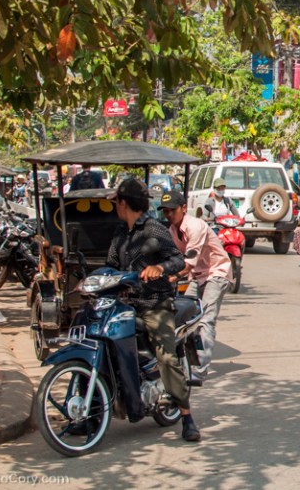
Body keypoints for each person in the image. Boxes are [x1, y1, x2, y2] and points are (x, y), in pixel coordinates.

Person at [104, 178, 199, 442]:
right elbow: (111, 263)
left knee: (167, 358)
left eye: (116, 202)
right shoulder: (120, 232)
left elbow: (177, 258)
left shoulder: (154, 228)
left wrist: (160, 268)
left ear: (124, 203)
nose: (115, 207)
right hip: (124, 305)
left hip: (154, 304)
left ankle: (187, 417)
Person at [160, 191, 233, 380]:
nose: (169, 215)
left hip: (216, 273)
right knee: (184, 317)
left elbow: (188, 261)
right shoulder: (172, 231)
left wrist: (171, 277)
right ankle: (184, 361)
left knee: (205, 320)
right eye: (165, 211)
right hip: (196, 276)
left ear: (184, 208)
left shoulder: (195, 226)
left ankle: (199, 370)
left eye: (172, 210)